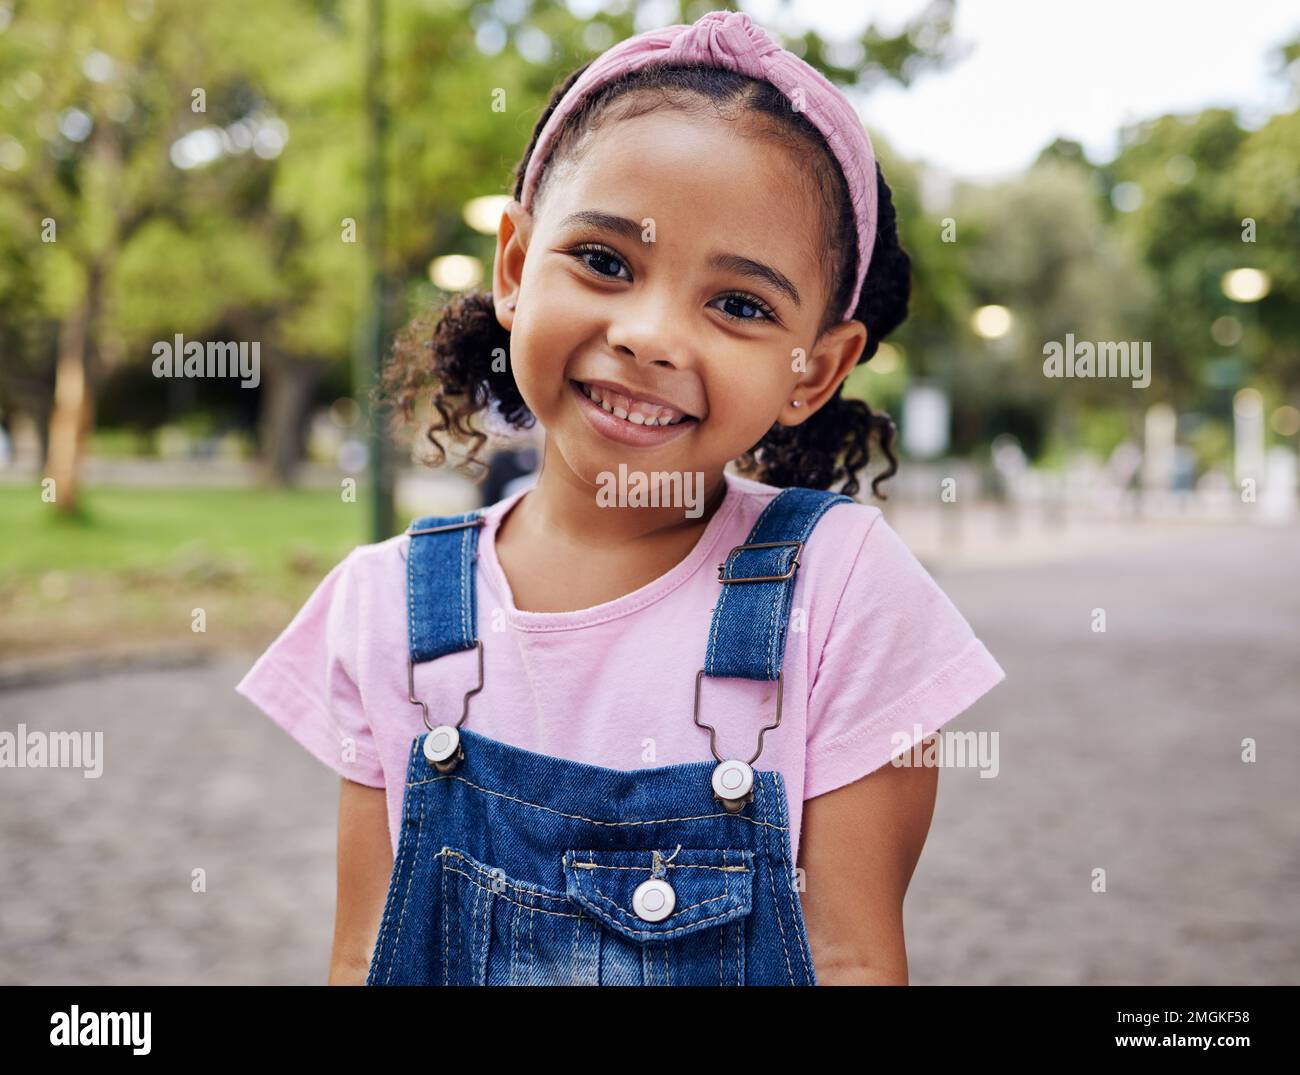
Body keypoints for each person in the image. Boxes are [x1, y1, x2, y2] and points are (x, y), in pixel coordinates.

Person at [236, 9, 1005, 986]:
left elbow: (851, 959)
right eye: (603, 261)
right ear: (514, 266)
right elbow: (359, 956)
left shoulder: (844, 591)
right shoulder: (383, 602)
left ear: (817, 367)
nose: (648, 334)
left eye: (738, 304)